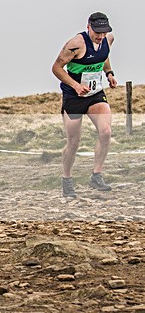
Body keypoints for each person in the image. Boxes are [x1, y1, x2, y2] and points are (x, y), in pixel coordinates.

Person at [52, 12, 118, 198]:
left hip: (95, 94)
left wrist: (109, 73)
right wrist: (75, 85)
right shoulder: (75, 44)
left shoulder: (108, 39)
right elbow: (56, 68)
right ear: (88, 26)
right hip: (73, 96)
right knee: (73, 142)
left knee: (106, 132)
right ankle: (67, 179)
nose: (100, 36)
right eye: (97, 32)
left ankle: (96, 175)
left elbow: (103, 57)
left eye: (103, 32)